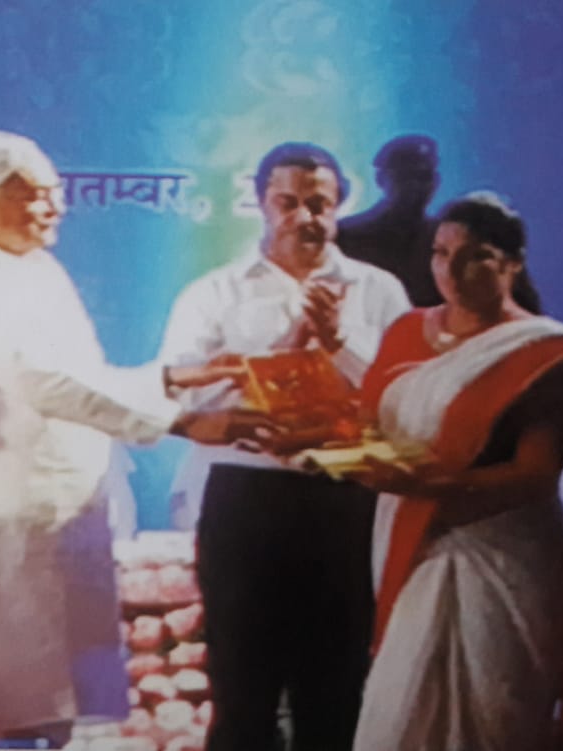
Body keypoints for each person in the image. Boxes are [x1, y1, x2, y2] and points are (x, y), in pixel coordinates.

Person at [0, 130, 251, 749]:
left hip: (43, 522)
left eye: (58, 192)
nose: (56, 206)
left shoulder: (38, 270)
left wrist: (166, 378)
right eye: (35, 194)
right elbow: (36, 377)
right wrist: (176, 419)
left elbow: (78, 373)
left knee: (37, 702)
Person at [341, 192, 563, 750]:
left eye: (474, 256)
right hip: (414, 545)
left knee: (492, 713)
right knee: (396, 711)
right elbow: (369, 425)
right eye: (440, 254)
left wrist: (434, 488)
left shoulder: (542, 351)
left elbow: (534, 474)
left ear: (513, 262)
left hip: (500, 553)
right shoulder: (407, 331)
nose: (451, 271)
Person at [157, 142, 410, 751]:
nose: (306, 217)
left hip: (344, 497)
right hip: (247, 496)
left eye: (319, 203)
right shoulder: (214, 293)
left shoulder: (378, 291)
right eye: (288, 202)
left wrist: (339, 338)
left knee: (337, 685)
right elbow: (175, 396)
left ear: (340, 204)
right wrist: (285, 350)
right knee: (243, 688)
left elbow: (404, 394)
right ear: (262, 204)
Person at [336, 134, 443, 307]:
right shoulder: (346, 236)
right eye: (405, 176)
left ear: (436, 181)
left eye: (424, 176)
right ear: (380, 180)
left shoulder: (446, 239)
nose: (415, 185)